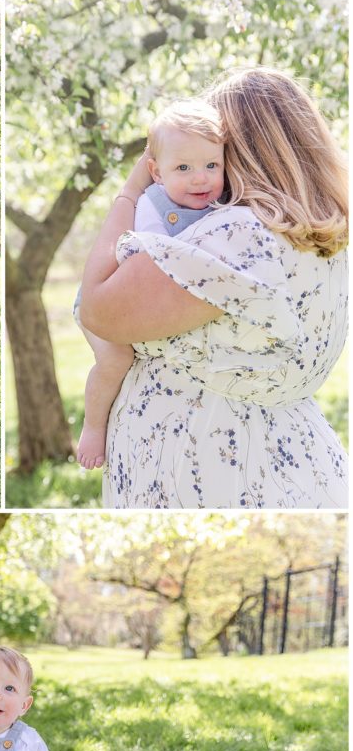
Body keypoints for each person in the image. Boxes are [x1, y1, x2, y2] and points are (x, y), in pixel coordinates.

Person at [77, 67, 348, 508]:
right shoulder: (330, 236)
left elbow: (97, 309)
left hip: (214, 469)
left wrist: (130, 191)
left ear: (242, 149)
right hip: (294, 460)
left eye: (214, 153)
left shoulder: (238, 234)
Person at [77, 99, 225, 469]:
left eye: (212, 165)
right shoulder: (152, 209)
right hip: (104, 300)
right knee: (116, 358)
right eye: (184, 167)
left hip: (140, 303)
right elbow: (138, 268)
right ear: (156, 173)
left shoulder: (217, 204)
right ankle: (92, 427)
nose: (200, 178)